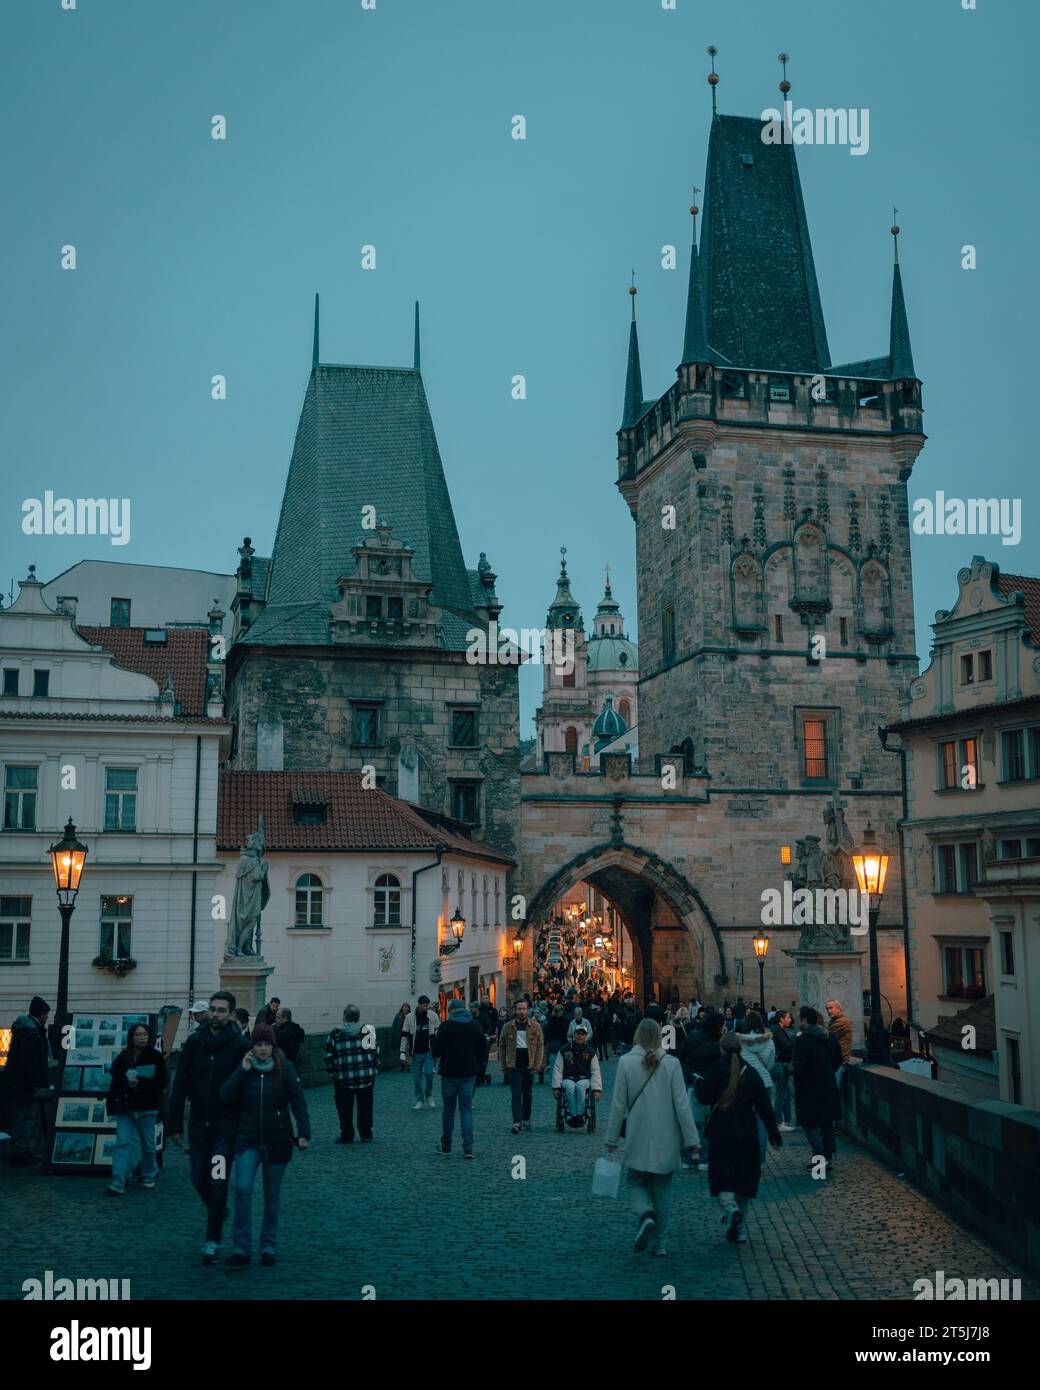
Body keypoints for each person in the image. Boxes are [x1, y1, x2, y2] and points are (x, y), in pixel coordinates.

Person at [167, 989, 250, 1264]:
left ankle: (212, 1239)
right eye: (213, 1009)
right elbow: (179, 1084)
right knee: (197, 1177)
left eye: (222, 1010)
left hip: (225, 1126)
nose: (216, 1014)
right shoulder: (194, 1043)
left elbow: (245, 1087)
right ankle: (218, 1210)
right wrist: (175, 1123)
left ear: (231, 1014)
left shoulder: (239, 1046)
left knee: (218, 1180)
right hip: (199, 1124)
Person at [605, 1018, 699, 1257]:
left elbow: (618, 1104)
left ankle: (645, 1212)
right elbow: (682, 1106)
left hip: (638, 1134)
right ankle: (661, 1243)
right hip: (666, 1136)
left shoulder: (626, 1062)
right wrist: (692, 1140)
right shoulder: (672, 1064)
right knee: (663, 1187)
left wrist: (612, 1137)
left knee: (635, 1180)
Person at [219, 1024, 310, 1267]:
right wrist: (241, 1071)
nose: (262, 1049)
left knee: (272, 1195)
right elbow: (225, 1095)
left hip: (277, 1140)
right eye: (258, 1044)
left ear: (272, 1046)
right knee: (242, 1189)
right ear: (252, 1046)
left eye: (266, 1044)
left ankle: (268, 1246)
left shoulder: (285, 1068)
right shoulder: (245, 1068)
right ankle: (242, 1247)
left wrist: (303, 1134)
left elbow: (298, 1102)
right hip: (247, 1139)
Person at [695, 1032, 782, 1244]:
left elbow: (702, 1097)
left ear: (721, 1049)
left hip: (721, 1131)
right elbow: (764, 1106)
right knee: (744, 1181)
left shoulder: (714, 1071)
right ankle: (740, 1229)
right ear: (740, 1048)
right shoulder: (751, 1073)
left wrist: (698, 1082)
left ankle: (730, 1208)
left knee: (722, 1178)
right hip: (746, 1132)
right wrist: (773, 1133)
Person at [105, 1022, 167, 1195]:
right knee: (122, 1143)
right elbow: (115, 1077)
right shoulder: (124, 1056)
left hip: (147, 1106)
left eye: (145, 1034)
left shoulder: (155, 1056)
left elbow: (162, 1080)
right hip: (127, 1106)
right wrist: (126, 1083)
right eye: (138, 1035)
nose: (142, 1038)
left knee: (148, 1145)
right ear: (132, 1037)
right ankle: (118, 1180)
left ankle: (148, 1175)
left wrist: (143, 1083)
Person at [432, 998, 487, 1158]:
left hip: (449, 1074)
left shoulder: (446, 1026)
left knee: (449, 1109)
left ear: (451, 1010)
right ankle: (468, 1149)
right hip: (469, 1073)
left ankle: (446, 1146)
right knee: (466, 1109)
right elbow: (483, 1048)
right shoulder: (475, 1025)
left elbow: (436, 1051)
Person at [794, 1006, 842, 1176]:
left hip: (809, 1087)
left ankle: (820, 1155)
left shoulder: (802, 1040)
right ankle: (826, 1158)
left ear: (806, 1021)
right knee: (826, 1122)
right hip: (827, 1084)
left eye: (800, 1019)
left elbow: (799, 1068)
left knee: (809, 1123)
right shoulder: (829, 1036)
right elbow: (838, 1059)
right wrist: (828, 1072)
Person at [7, 996, 51, 1165]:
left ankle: (22, 1149)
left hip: (20, 1082)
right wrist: (37, 1082)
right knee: (25, 1118)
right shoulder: (31, 1034)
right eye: (46, 1014)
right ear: (40, 1015)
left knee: (23, 1117)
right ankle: (21, 1151)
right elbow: (30, 1062)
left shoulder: (25, 1030)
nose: (47, 1017)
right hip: (26, 1084)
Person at [324, 1005, 378, 1143]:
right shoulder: (367, 1031)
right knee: (365, 1107)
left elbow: (329, 1055)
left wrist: (332, 1072)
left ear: (344, 1016)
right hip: (365, 1076)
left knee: (344, 1108)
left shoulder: (336, 1033)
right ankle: (366, 1134)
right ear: (358, 1017)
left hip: (343, 1077)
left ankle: (347, 1135)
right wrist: (374, 1071)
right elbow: (375, 1053)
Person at [680, 1008, 724, 1172]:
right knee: (705, 1123)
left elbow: (682, 1057)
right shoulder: (715, 1043)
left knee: (689, 1121)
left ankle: (687, 1156)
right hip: (708, 1084)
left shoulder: (693, 1036)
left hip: (691, 1081)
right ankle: (704, 1157)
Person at [498, 998, 544, 1134]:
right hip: (513, 1064)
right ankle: (517, 1122)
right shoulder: (507, 1027)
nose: (522, 1012)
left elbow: (540, 1046)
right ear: (514, 1010)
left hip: (529, 1064)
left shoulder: (535, 1026)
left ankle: (526, 1118)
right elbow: (502, 1046)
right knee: (516, 1094)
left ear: (528, 1010)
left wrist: (537, 1065)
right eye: (519, 1009)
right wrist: (503, 1065)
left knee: (528, 1094)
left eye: (524, 1009)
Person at [736, 1011, 777, 1162]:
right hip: (764, 1083)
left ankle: (746, 1157)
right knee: (762, 1122)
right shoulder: (769, 1041)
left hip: (745, 1083)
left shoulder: (740, 1041)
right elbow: (771, 1064)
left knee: (745, 1121)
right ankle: (759, 1160)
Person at [551, 1023, 602, 1126]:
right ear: (574, 1034)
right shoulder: (565, 1049)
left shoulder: (590, 1051)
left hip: (584, 1078)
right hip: (568, 1077)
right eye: (578, 1033)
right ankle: (574, 1115)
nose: (580, 1036)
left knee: (580, 1086)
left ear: (586, 1035)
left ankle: (580, 1114)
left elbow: (595, 1070)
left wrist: (596, 1089)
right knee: (570, 1087)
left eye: (583, 1034)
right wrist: (556, 1087)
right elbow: (558, 1068)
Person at [400, 996, 439, 1109]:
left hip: (428, 1052)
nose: (427, 1007)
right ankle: (419, 1100)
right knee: (416, 1077)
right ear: (419, 1004)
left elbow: (438, 1030)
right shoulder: (410, 1017)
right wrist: (402, 1051)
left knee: (429, 1074)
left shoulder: (433, 1015)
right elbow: (405, 1036)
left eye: (428, 1005)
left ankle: (429, 1095)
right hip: (415, 1052)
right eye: (425, 1005)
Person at [769, 1009, 796, 1129]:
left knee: (784, 1093)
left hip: (779, 1063)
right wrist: (796, 1037)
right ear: (781, 1019)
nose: (790, 1020)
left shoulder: (776, 1029)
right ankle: (780, 1121)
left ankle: (784, 1121)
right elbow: (787, 1046)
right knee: (782, 1094)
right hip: (780, 1064)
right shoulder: (777, 1030)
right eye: (788, 1017)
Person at [390, 1003, 411, 1071]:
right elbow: (394, 1026)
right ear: (402, 1008)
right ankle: (403, 1064)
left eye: (407, 1007)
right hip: (399, 1036)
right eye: (405, 1007)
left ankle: (408, 1065)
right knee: (401, 1051)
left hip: (408, 1036)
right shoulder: (398, 1016)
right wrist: (393, 1035)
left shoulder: (411, 1016)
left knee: (407, 1050)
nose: (406, 1008)